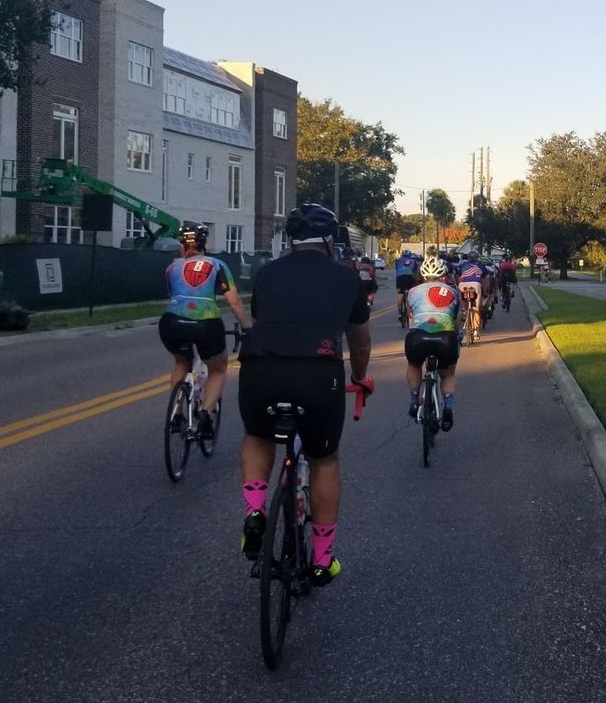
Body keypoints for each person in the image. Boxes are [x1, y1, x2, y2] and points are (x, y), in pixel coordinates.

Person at [237, 204, 373, 587]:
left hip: (260, 368)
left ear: (290, 240)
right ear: (331, 241)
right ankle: (321, 560)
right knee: (323, 459)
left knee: (257, 435)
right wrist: (359, 377)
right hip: (317, 375)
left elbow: (262, 320)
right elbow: (360, 342)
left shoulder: (266, 274)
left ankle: (255, 511)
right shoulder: (347, 278)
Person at [159, 222, 250, 435]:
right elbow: (234, 302)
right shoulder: (217, 265)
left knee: (181, 362)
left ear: (181, 244)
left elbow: (176, 295)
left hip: (171, 322)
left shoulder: (171, 268)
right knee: (218, 369)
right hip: (205, 324)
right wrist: (248, 328)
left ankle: (176, 413)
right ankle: (206, 415)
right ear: (204, 243)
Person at [402, 255, 460, 430]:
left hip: (418, 337)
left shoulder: (412, 292)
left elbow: (411, 318)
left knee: (414, 365)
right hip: (445, 339)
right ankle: (448, 408)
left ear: (423, 275)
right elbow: (456, 321)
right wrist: (458, 336)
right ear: (443, 275)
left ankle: (414, 400)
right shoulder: (453, 292)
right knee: (447, 374)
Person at [454, 252, 485, 336]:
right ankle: (476, 331)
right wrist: (485, 290)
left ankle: (464, 310)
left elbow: (457, 275)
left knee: (464, 303)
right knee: (476, 308)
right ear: (477, 258)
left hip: (463, 286)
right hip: (476, 285)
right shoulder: (481, 265)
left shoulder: (463, 265)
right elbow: (484, 278)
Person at [393, 251, 421, 325]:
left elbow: (397, 270)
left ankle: (400, 313)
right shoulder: (414, 261)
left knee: (400, 293)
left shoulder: (398, 261)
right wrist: (418, 281)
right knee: (412, 293)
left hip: (400, 278)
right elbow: (416, 272)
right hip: (410, 277)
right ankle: (411, 310)